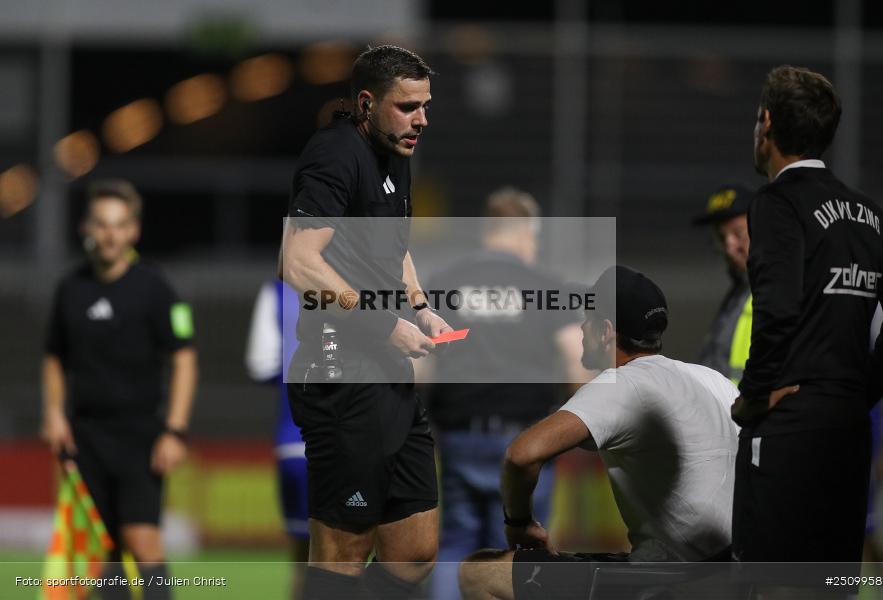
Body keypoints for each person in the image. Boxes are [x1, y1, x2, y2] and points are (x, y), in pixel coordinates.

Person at [280, 45, 452, 600]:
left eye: (425, 106)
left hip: (388, 373)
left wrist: (420, 306)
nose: (421, 119)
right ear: (366, 103)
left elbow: (393, 249)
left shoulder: (395, 152)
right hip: (341, 375)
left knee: (414, 554)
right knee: (343, 555)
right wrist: (384, 324)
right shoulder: (334, 154)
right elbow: (297, 263)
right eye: (407, 107)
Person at [458, 266, 739, 600]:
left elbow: (522, 455)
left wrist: (519, 523)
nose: (581, 327)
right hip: (738, 567)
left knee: (479, 572)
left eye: (588, 318)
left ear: (606, 331)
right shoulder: (712, 379)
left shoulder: (621, 383)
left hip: (678, 576)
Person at [732, 65, 883, 571]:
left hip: (789, 429)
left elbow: (778, 308)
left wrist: (755, 394)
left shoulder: (777, 203)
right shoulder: (870, 215)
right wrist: (858, 392)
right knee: (834, 581)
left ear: (766, 122)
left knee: (770, 580)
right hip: (849, 430)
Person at [425, 187, 592, 600]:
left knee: (457, 546)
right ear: (526, 232)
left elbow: (418, 368)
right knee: (521, 557)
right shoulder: (545, 287)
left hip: (460, 436)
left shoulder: (444, 284)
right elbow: (577, 364)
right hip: (527, 441)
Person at [41, 179, 198, 600]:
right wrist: (53, 413)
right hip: (85, 438)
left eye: (119, 225)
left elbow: (184, 358)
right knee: (100, 556)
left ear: (134, 231)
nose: (110, 234)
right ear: (86, 228)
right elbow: (54, 356)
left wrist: (175, 430)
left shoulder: (154, 288)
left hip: (140, 437)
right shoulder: (70, 288)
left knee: (143, 541)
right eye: (102, 224)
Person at [245, 279, 309, 599]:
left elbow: (261, 364)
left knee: (305, 558)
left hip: (295, 440)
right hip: (360, 442)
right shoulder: (370, 282)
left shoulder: (279, 292)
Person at [692, 183, 754, 384]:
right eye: (721, 237)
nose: (729, 247)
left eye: (739, 234)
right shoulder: (738, 292)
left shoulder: (781, 293)